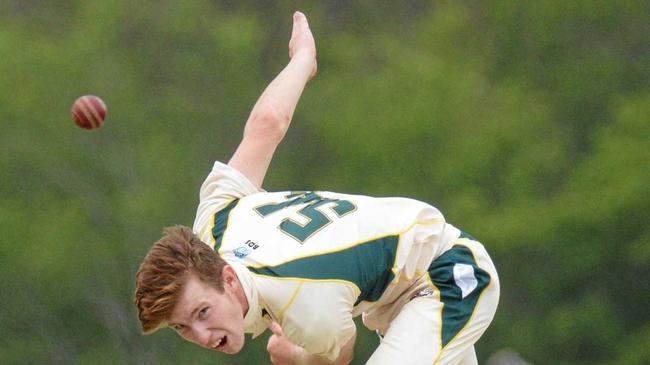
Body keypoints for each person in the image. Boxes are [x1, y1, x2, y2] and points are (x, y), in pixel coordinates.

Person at [134, 11, 499, 365]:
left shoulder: (300, 298)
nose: (200, 335)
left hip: (446, 277)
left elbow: (340, 354)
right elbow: (266, 124)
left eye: (202, 312)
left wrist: (300, 358)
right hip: (398, 299)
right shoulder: (215, 223)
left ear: (228, 278)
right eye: (182, 327)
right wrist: (302, 61)